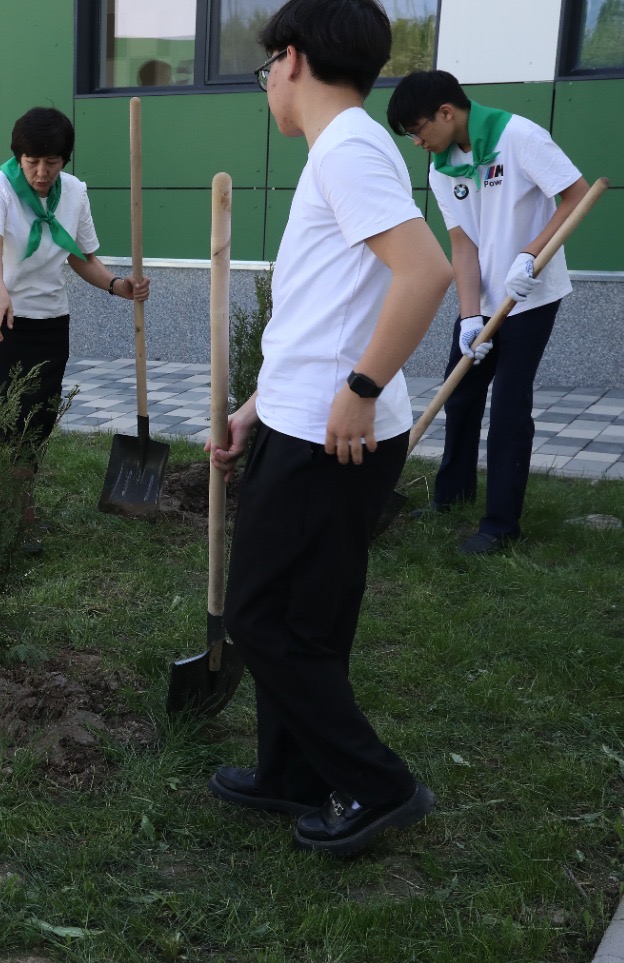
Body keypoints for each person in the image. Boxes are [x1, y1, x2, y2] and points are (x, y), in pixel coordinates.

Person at [205, 0, 452, 857]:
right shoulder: (344, 149)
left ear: (294, 59)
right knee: (306, 620)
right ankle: (292, 773)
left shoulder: (347, 147)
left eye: (267, 65)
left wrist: (361, 386)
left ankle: (377, 785)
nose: (266, 82)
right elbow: (330, 307)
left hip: (331, 435)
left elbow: (427, 272)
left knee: (263, 617)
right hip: (302, 421)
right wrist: (253, 410)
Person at [387, 70, 589, 555]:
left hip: (530, 293)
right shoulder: (440, 166)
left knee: (509, 409)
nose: (417, 142)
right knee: (460, 395)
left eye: (418, 130)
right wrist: (469, 315)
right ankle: (451, 496)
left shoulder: (519, 136)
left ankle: (500, 525)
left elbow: (577, 195)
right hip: (484, 299)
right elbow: (462, 243)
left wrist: (532, 255)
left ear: (446, 112)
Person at [0, 107, 148, 538]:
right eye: (32, 162)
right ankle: (16, 513)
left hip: (49, 319)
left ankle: (6, 502)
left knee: (41, 417)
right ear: (19, 157)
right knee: (14, 416)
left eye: (52, 162)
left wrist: (116, 284)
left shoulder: (75, 193)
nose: (42, 172)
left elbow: (80, 255)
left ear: (65, 160)